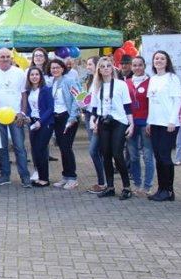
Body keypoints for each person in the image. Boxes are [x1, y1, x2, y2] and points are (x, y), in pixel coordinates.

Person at [89, 56, 134, 199]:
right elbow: (94, 108)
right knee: (106, 155)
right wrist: (92, 121)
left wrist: (131, 124)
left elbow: (127, 106)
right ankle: (110, 186)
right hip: (104, 122)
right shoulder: (97, 86)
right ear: (99, 70)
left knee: (117, 154)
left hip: (119, 122)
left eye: (108, 66)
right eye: (102, 66)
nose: (106, 68)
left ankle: (127, 187)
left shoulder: (121, 84)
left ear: (112, 67)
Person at [0, 48, 31, 187]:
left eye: (8, 57)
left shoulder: (19, 73)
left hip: (16, 116)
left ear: (11, 58)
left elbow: (24, 95)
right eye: (2, 57)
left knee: (19, 147)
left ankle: (25, 177)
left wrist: (22, 113)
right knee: (2, 148)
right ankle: (5, 175)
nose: (5, 59)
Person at [146, 50, 181, 202]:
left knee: (165, 157)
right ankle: (161, 188)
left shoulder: (172, 78)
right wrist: (149, 121)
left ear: (167, 62)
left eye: (162, 58)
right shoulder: (153, 79)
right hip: (155, 123)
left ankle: (169, 190)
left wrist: (172, 121)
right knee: (158, 157)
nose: (159, 61)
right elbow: (151, 102)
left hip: (168, 123)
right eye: (156, 58)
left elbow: (177, 100)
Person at [49, 58, 81, 190]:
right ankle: (66, 176)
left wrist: (73, 117)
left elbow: (77, 98)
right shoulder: (52, 83)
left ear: (63, 69)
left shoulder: (69, 81)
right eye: (52, 68)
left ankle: (72, 178)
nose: (55, 70)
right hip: (57, 118)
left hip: (68, 118)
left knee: (67, 147)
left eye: (57, 67)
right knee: (62, 147)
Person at [125, 55, 154, 195]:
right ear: (131, 67)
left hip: (146, 123)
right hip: (131, 123)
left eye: (140, 65)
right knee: (133, 155)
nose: (137, 68)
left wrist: (150, 121)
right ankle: (137, 184)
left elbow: (154, 103)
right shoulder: (127, 82)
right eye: (134, 65)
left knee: (148, 155)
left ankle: (147, 185)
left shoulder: (151, 82)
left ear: (144, 66)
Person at [22, 67, 54, 187]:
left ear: (40, 76)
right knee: (35, 151)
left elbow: (50, 108)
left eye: (37, 74)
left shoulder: (45, 90)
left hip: (45, 124)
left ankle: (45, 179)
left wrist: (41, 121)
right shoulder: (29, 91)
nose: (34, 77)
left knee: (41, 150)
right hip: (33, 123)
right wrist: (29, 117)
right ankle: (40, 176)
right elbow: (30, 108)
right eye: (32, 75)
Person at [81, 57, 107, 195]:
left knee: (94, 150)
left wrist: (95, 119)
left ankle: (104, 182)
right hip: (89, 115)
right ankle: (103, 181)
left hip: (97, 119)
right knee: (97, 150)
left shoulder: (102, 82)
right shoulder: (91, 80)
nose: (88, 66)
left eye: (90, 64)